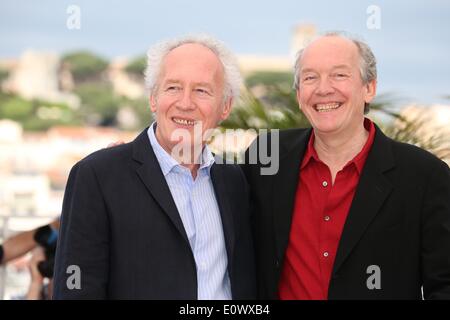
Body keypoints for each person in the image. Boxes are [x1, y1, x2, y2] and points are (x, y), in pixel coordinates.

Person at [243, 32, 450, 299]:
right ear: (298, 94)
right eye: (310, 77)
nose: (323, 88)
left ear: (369, 88)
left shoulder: (425, 176)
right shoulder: (265, 156)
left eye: (339, 75)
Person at [53, 35, 256, 299]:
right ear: (153, 98)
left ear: (225, 106)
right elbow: (76, 290)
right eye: (172, 88)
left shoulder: (234, 181)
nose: (185, 103)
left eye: (201, 90)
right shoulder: (98, 177)